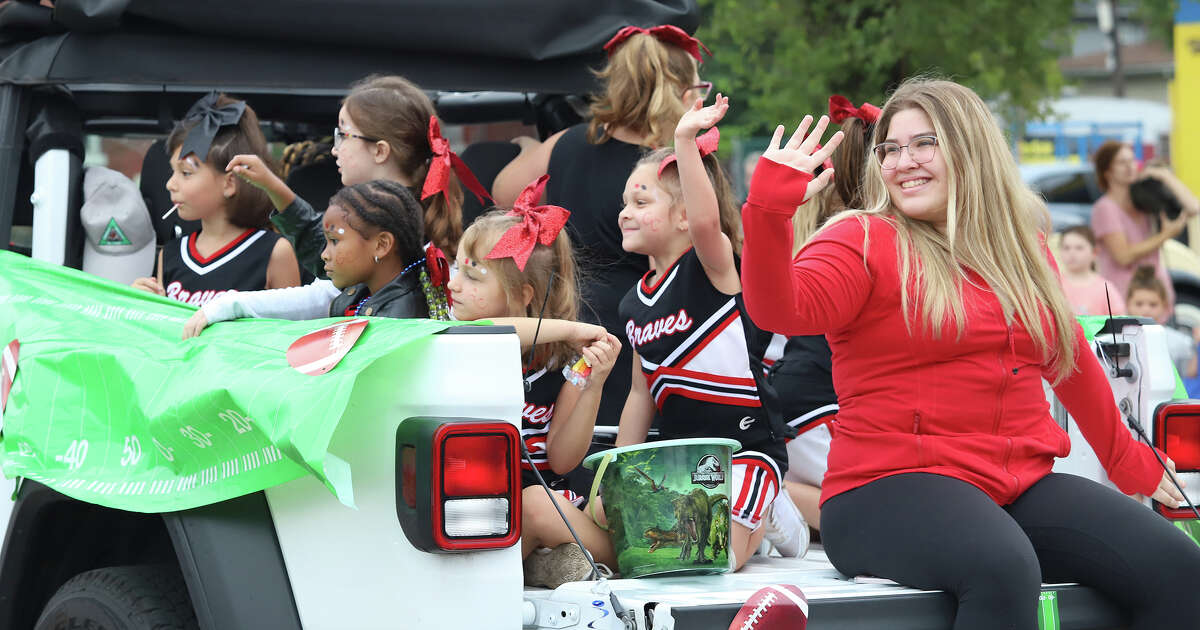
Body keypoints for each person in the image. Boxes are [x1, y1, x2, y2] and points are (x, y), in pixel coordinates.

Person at [740, 77, 1200, 629]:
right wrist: (767, 212)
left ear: (970, 148)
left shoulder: (1020, 248)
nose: (902, 162)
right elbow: (780, 309)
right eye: (890, 149)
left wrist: (1132, 463)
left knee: (1178, 566)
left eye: (923, 143)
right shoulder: (860, 238)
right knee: (1002, 568)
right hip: (882, 491)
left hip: (1015, 485)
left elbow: (1070, 359)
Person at [614, 95, 807, 570]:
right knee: (645, 543)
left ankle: (770, 510)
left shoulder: (712, 266)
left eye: (641, 201)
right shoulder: (631, 302)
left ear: (681, 217)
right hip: (683, 463)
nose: (625, 212)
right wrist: (619, 471)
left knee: (717, 558)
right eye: (624, 202)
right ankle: (755, 517)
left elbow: (706, 222)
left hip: (746, 451)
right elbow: (641, 393)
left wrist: (683, 140)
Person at [492, 24, 712, 426]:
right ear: (679, 92)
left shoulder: (570, 141)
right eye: (701, 89)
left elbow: (504, 191)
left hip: (564, 319)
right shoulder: (668, 167)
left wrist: (533, 151)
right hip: (641, 330)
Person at [445, 176, 622, 588]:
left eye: (473, 276)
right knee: (536, 505)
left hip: (544, 505)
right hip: (475, 513)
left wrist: (593, 383)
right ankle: (615, 560)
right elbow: (490, 331)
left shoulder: (557, 366)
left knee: (590, 500)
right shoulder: (455, 339)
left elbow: (561, 460)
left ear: (523, 293)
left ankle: (553, 560)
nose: (453, 284)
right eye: (457, 268)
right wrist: (569, 328)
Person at [227, 74, 488, 279]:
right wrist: (272, 185)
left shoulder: (380, 218)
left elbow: (321, 261)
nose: (333, 148)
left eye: (343, 134)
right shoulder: (404, 211)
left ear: (380, 150)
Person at [767, 94, 882, 537]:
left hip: (810, 394)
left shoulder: (826, 224)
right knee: (870, 519)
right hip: (817, 403)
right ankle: (762, 486)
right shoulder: (856, 236)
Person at [182, 180, 449, 337]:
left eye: (334, 241)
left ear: (381, 245)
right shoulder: (361, 293)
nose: (324, 254)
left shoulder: (396, 321)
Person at [132, 93, 301, 304]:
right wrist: (142, 303)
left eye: (185, 173)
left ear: (229, 182)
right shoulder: (170, 254)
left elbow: (292, 333)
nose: (170, 184)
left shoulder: (275, 252)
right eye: (172, 172)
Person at [1090, 140, 1195, 311]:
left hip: (1155, 295)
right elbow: (1123, 256)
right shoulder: (1104, 209)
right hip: (1126, 298)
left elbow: (1193, 207)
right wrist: (1166, 235)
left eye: (1132, 161)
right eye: (1122, 162)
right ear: (1107, 171)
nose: (1130, 167)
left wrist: (1163, 175)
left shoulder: (1142, 199)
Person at [1127, 265, 1197, 379]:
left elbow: (1190, 375)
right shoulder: (1120, 339)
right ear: (1128, 304)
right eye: (1139, 304)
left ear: (1164, 306)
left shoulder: (1179, 342)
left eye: (1153, 304)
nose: (1146, 310)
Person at [1058, 225, 1126, 316]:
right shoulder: (1054, 284)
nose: (1071, 253)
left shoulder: (1105, 288)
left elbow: (1119, 319)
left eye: (1079, 248)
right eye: (1066, 248)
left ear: (1095, 252)